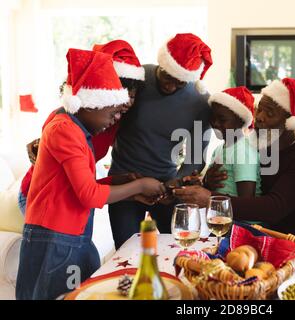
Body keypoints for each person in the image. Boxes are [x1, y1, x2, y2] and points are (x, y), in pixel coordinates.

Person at [16, 48, 166, 300]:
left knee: (88, 287)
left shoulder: (77, 128)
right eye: (113, 112)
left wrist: (113, 181)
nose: (116, 118)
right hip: (55, 235)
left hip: (72, 232)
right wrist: (139, 186)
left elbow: (76, 185)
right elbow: (88, 195)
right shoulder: (64, 129)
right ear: (92, 103)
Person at [174, 78, 295, 238]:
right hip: (262, 241)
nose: (259, 117)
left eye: (269, 113)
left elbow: (274, 207)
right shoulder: (259, 146)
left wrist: (212, 199)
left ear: (290, 121)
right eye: (259, 110)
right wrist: (208, 182)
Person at [108, 33, 213, 248]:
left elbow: (195, 157)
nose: (170, 86)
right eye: (167, 76)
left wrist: (173, 186)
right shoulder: (137, 77)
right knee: (127, 253)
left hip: (166, 188)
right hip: (123, 186)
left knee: (176, 249)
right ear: (161, 63)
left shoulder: (200, 102)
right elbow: (101, 113)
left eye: (179, 83)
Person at [18, 39, 145, 214]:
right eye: (122, 93)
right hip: (42, 197)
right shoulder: (64, 124)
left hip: (72, 196)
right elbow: (80, 190)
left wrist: (124, 184)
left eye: (132, 95)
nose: (128, 102)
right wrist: (139, 187)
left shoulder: (112, 120)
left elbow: (85, 187)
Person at [206, 86, 261, 198]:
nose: (215, 123)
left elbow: (246, 200)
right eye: (212, 117)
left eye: (222, 119)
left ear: (240, 121)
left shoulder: (243, 150)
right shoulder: (218, 149)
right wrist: (206, 183)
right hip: (219, 213)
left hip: (237, 215)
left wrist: (207, 194)